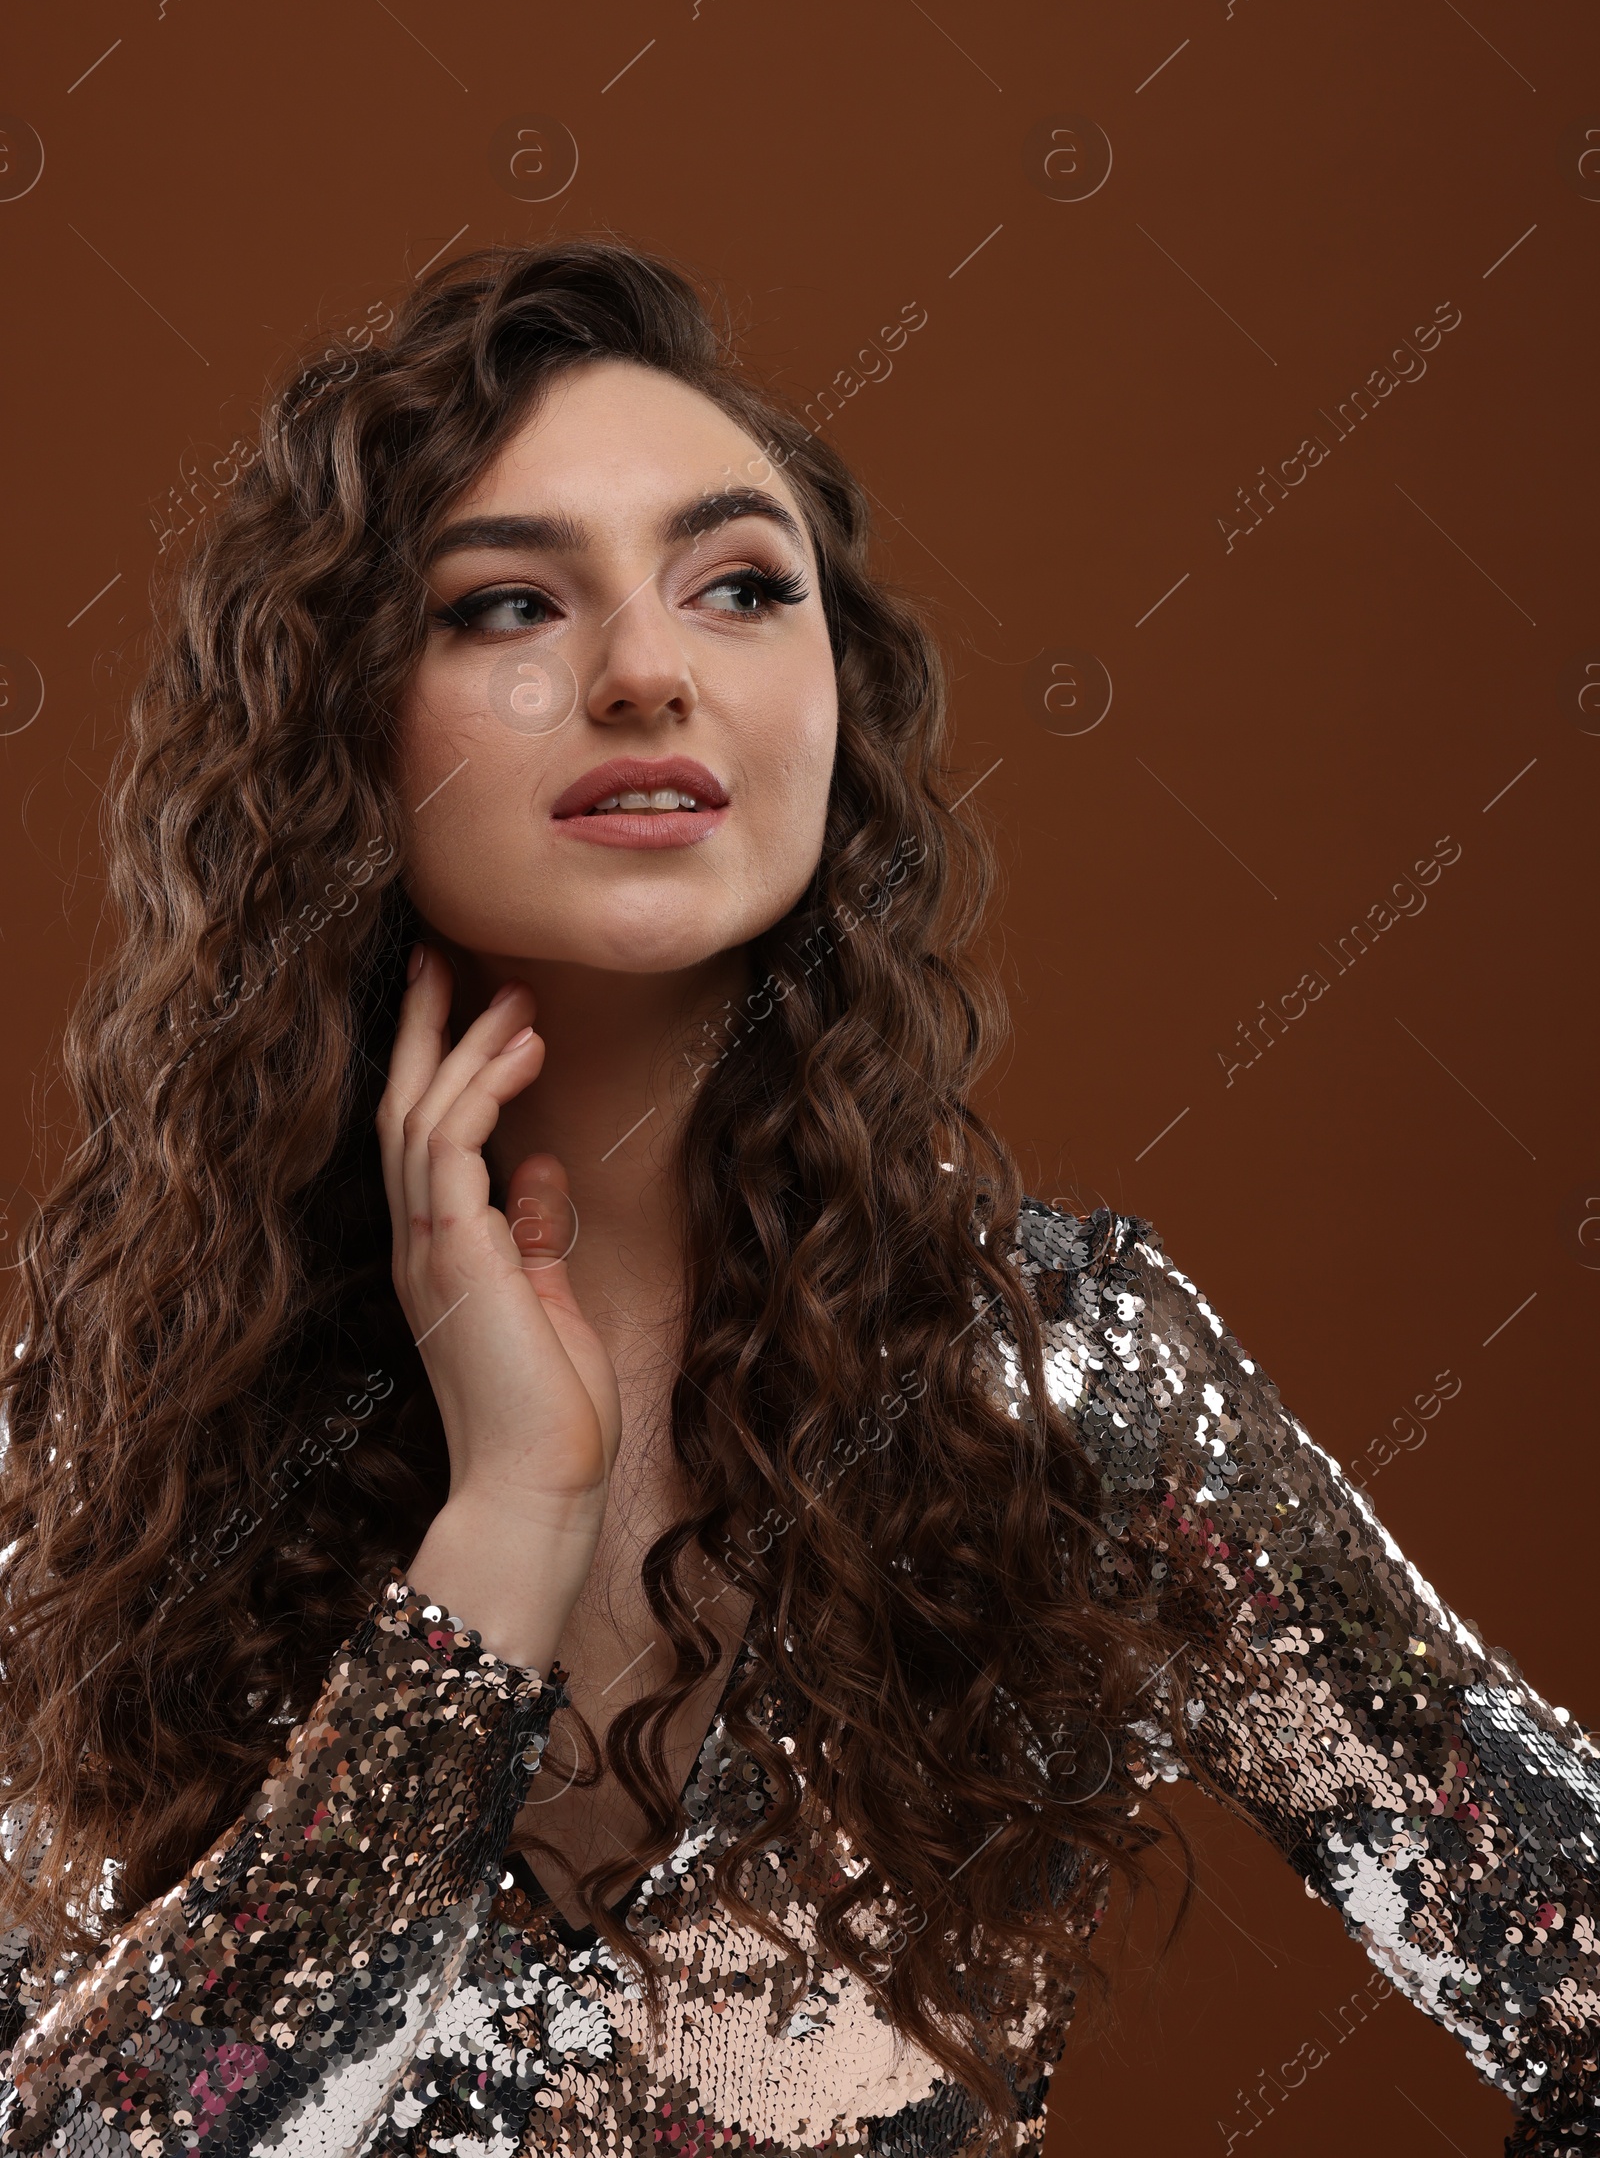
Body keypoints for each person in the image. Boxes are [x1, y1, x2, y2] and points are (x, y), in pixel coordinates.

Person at [0, 241, 1590, 2158]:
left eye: (742, 586)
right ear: (340, 728)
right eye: (511, 602)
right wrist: (507, 1522)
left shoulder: (1058, 1392)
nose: (648, 672)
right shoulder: (108, 1437)